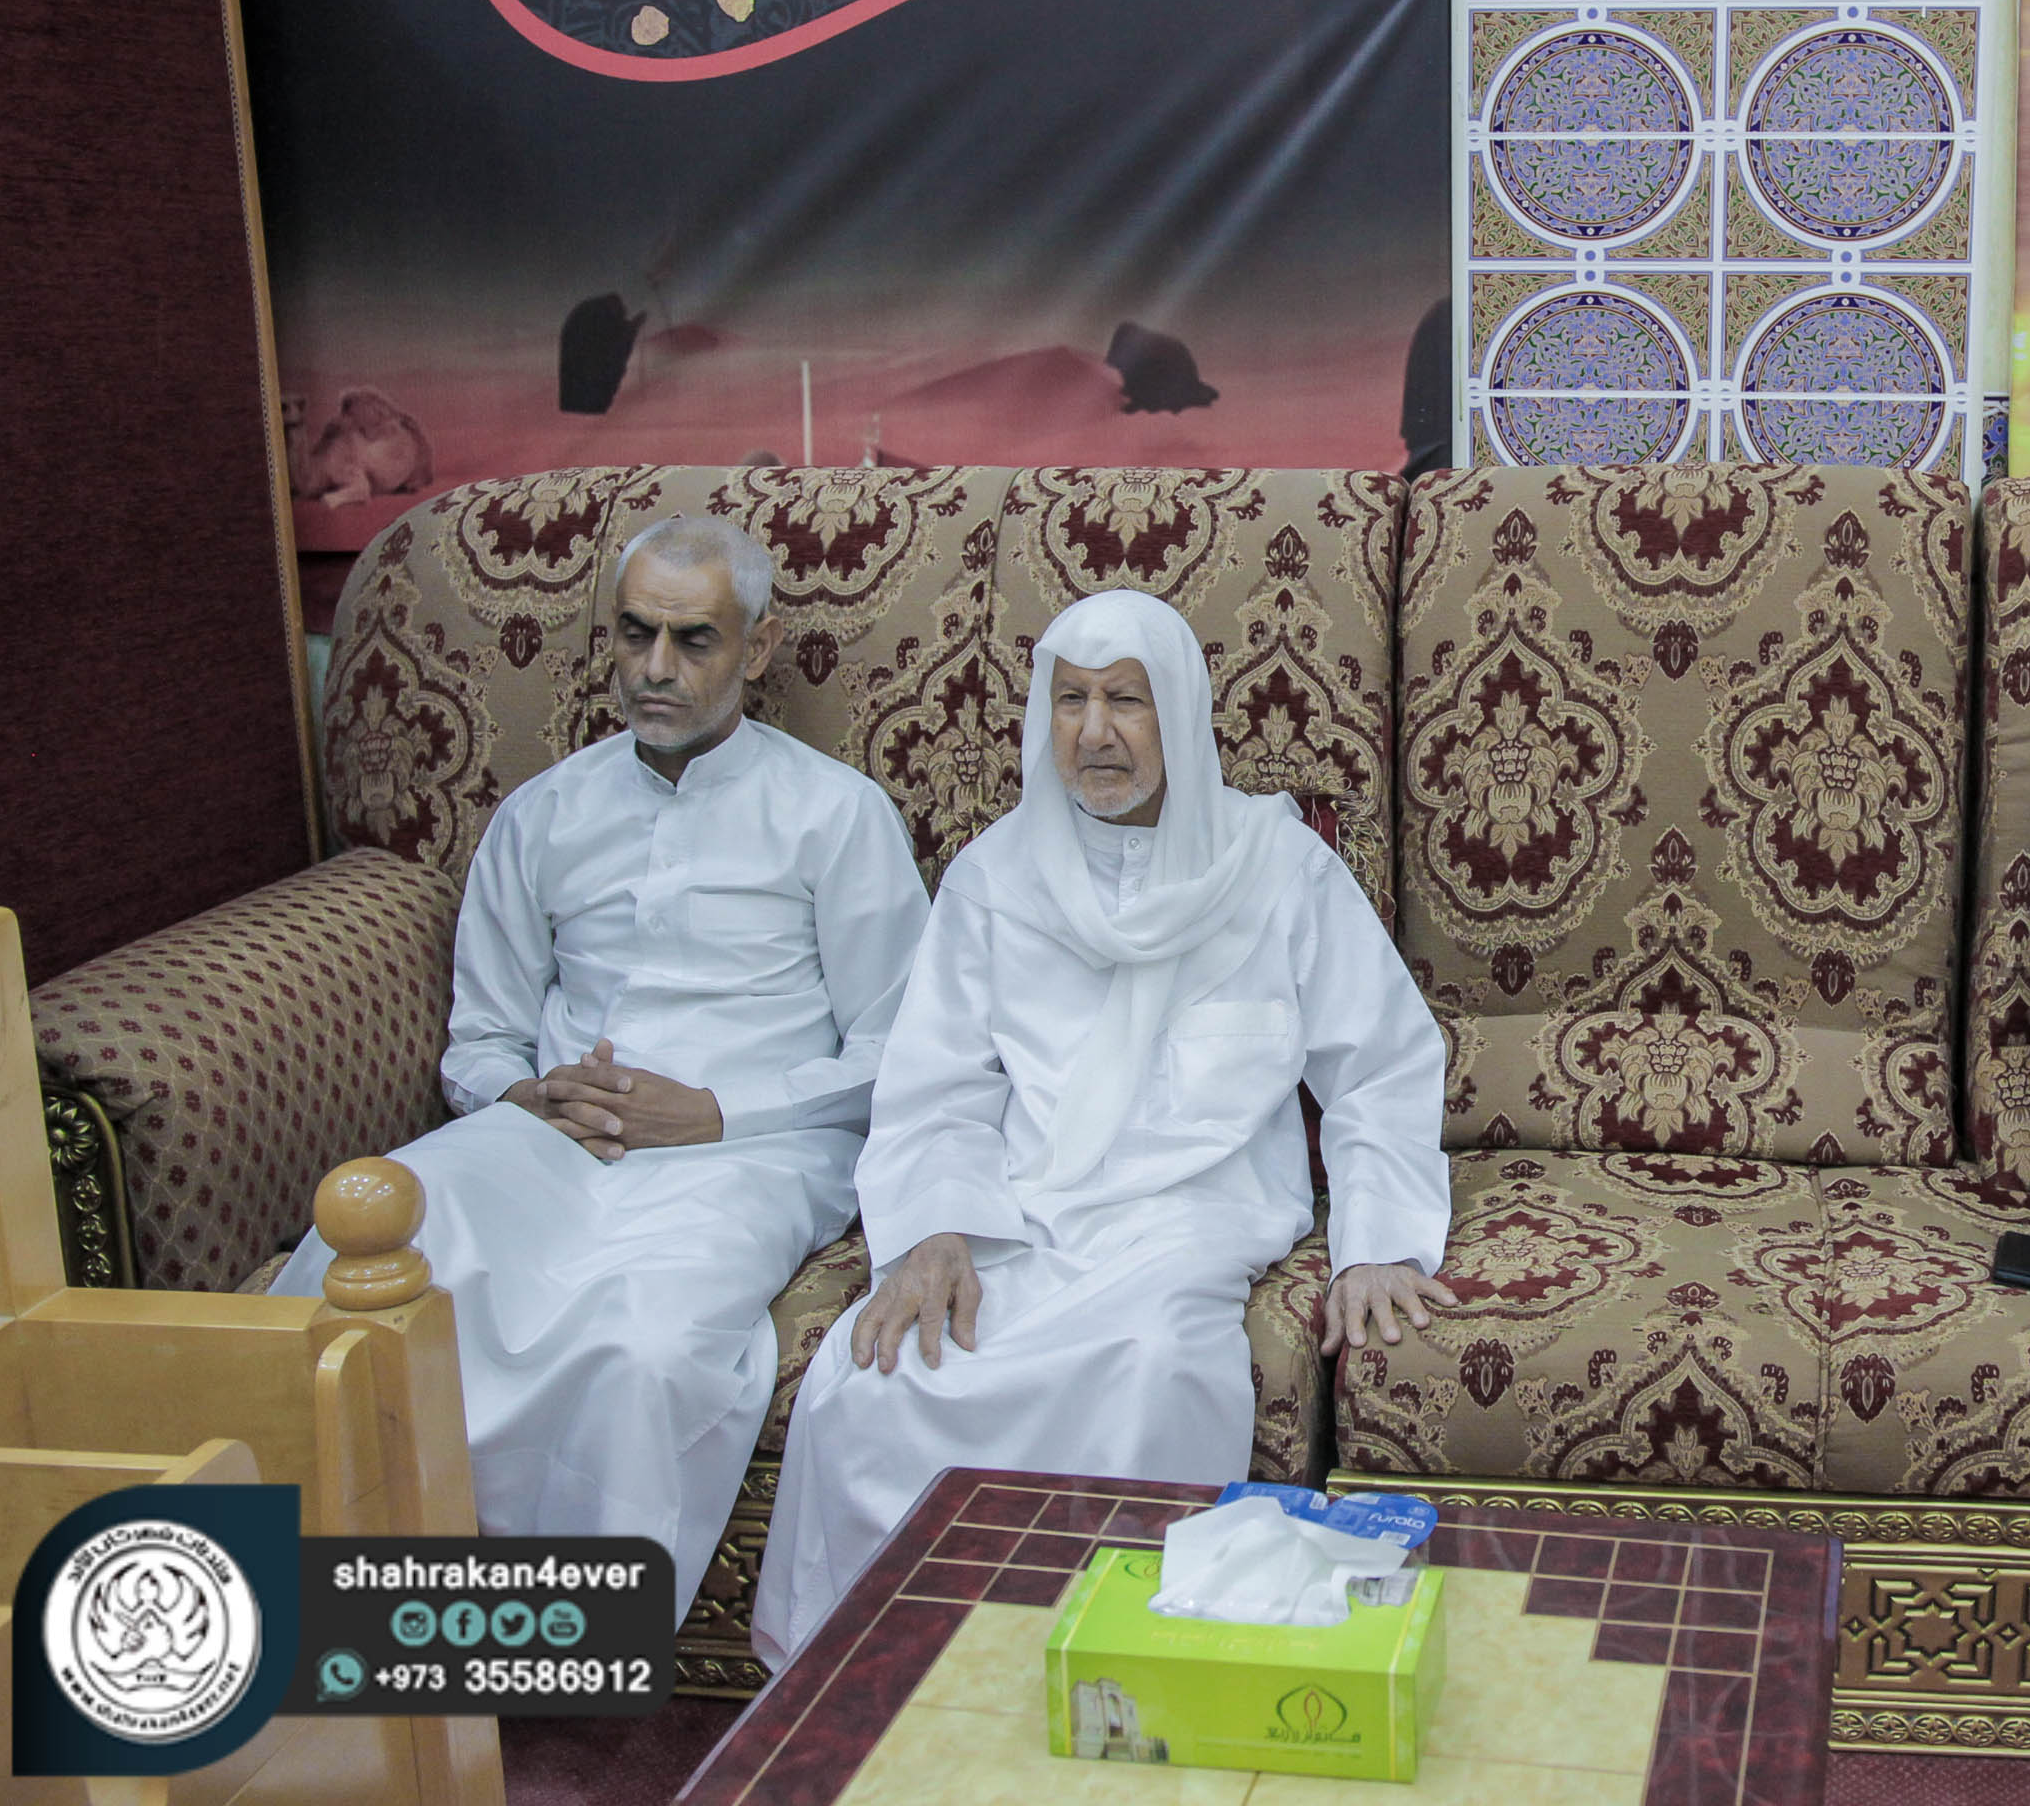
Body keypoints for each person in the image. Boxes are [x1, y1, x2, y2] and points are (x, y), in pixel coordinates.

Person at [751, 589, 1453, 1667]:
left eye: (1127, 699)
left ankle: (1109, 1673)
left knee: (1148, 1363)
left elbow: (1380, 1062)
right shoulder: (995, 875)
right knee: (879, 1381)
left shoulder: (1275, 865)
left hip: (1194, 1214)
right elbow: (936, 1082)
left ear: (1181, 712)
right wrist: (934, 1227)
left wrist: (1380, 1241)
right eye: (1070, 699)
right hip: (1022, 1213)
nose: (1093, 731)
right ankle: (887, 1691)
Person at [274, 514, 930, 1621]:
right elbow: (481, 1037)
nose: (655, 668)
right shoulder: (544, 814)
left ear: (759, 647)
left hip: (755, 1150)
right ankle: (328, 1609)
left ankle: (562, 1638)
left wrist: (711, 1111)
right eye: (635, 634)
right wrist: (522, 1095)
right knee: (374, 1240)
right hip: (552, 1136)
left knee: (644, 1344)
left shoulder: (835, 815)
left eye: (693, 639)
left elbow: (897, 1048)